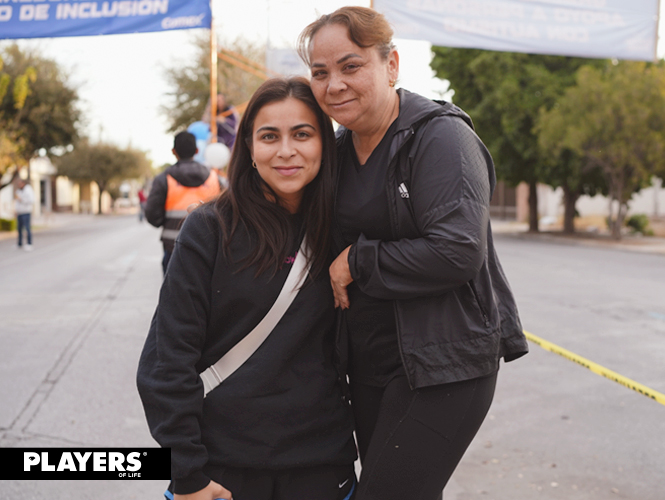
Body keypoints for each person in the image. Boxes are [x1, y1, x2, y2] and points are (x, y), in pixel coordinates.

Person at [298, 7, 529, 500]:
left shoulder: (441, 137)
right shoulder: (336, 153)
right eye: (320, 73)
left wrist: (357, 261)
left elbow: (457, 251)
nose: (334, 84)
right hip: (368, 361)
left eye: (350, 65)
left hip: (446, 363)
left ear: (392, 65)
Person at [137, 77, 357, 500]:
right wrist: (187, 474)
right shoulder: (210, 228)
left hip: (322, 468)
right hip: (222, 471)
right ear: (250, 148)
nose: (286, 150)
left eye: (303, 134)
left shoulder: (344, 230)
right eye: (269, 136)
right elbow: (167, 360)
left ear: (325, 146)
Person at [145, 131, 222, 275]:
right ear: (197, 151)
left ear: (174, 152)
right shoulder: (215, 178)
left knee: (174, 294)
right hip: (209, 248)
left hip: (173, 248)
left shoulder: (164, 179)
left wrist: (167, 222)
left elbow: (151, 214)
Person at [15, 178, 35, 251]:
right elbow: (16, 202)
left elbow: (32, 200)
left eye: (20, 183)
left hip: (26, 212)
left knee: (27, 228)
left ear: (23, 183)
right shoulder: (18, 191)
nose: (19, 185)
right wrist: (16, 211)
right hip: (20, 212)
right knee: (19, 229)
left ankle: (29, 243)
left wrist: (22, 200)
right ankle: (19, 243)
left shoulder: (28, 190)